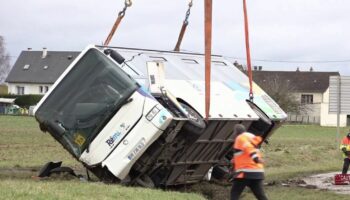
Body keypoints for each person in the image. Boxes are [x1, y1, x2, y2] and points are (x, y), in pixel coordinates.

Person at [230, 124, 268, 200]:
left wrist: (255, 158)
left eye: (234, 132)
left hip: (245, 172)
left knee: (234, 193)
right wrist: (234, 161)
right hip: (257, 172)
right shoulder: (251, 138)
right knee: (261, 196)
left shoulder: (240, 138)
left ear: (236, 132)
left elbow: (248, 148)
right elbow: (244, 153)